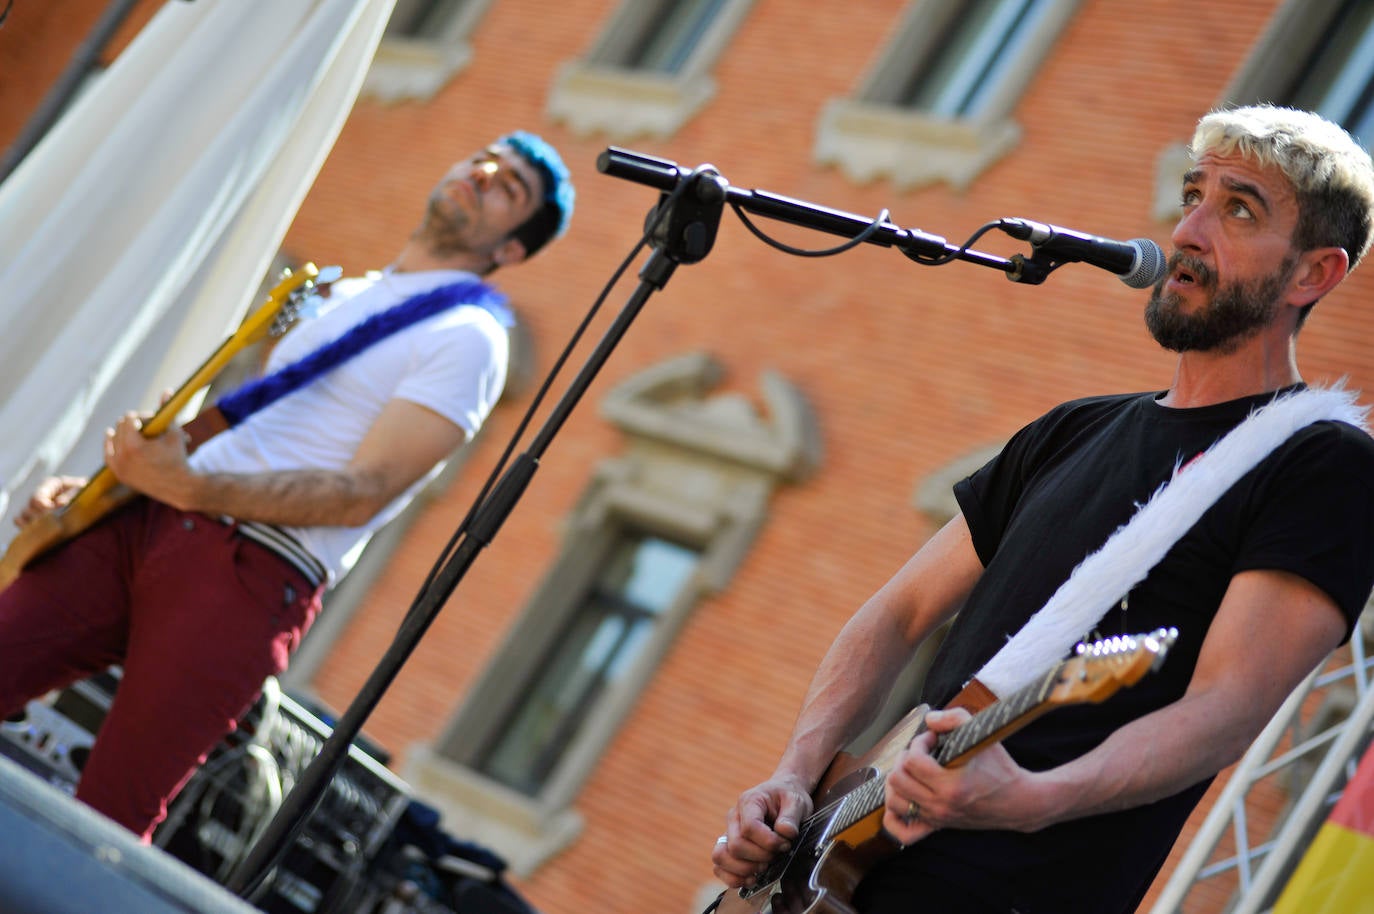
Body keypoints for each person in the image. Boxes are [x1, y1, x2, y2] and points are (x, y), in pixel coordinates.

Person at [712, 105, 1374, 914]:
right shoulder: (1074, 427)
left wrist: (1029, 797)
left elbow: (1226, 708)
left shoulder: (1321, 466)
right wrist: (793, 773)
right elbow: (898, 612)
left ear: (1314, 274)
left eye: (1239, 209)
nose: (1190, 229)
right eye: (1191, 195)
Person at [0, 131, 575, 842]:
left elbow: (362, 491)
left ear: (510, 250)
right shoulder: (345, 289)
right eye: (484, 159)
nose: (484, 174)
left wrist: (185, 489)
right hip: (146, 523)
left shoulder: (471, 337)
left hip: (251, 573)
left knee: (106, 821)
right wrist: (106, 490)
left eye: (510, 188)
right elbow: (241, 431)